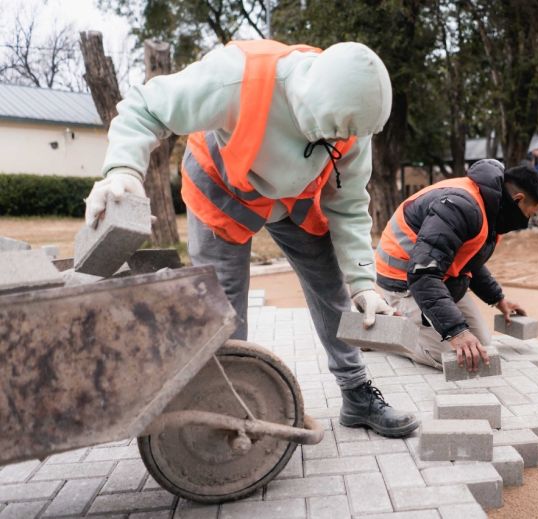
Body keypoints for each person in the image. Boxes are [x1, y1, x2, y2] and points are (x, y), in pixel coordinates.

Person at [83, 39, 419, 438]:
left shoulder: (351, 122)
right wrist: (123, 170)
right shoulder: (237, 77)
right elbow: (145, 107)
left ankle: (357, 395)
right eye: (334, 131)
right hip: (224, 189)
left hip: (294, 199)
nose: (344, 140)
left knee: (334, 290)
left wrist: (364, 282)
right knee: (225, 309)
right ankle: (228, 404)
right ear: (308, 100)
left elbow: (348, 204)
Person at [374, 160, 538, 371]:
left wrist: (497, 298)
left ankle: (419, 326)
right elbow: (423, 273)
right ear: (518, 199)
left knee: (480, 346)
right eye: (530, 214)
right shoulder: (460, 207)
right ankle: (380, 328)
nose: (527, 220)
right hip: (402, 279)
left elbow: (469, 259)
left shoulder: (492, 209)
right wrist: (456, 332)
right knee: (452, 356)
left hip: (439, 276)